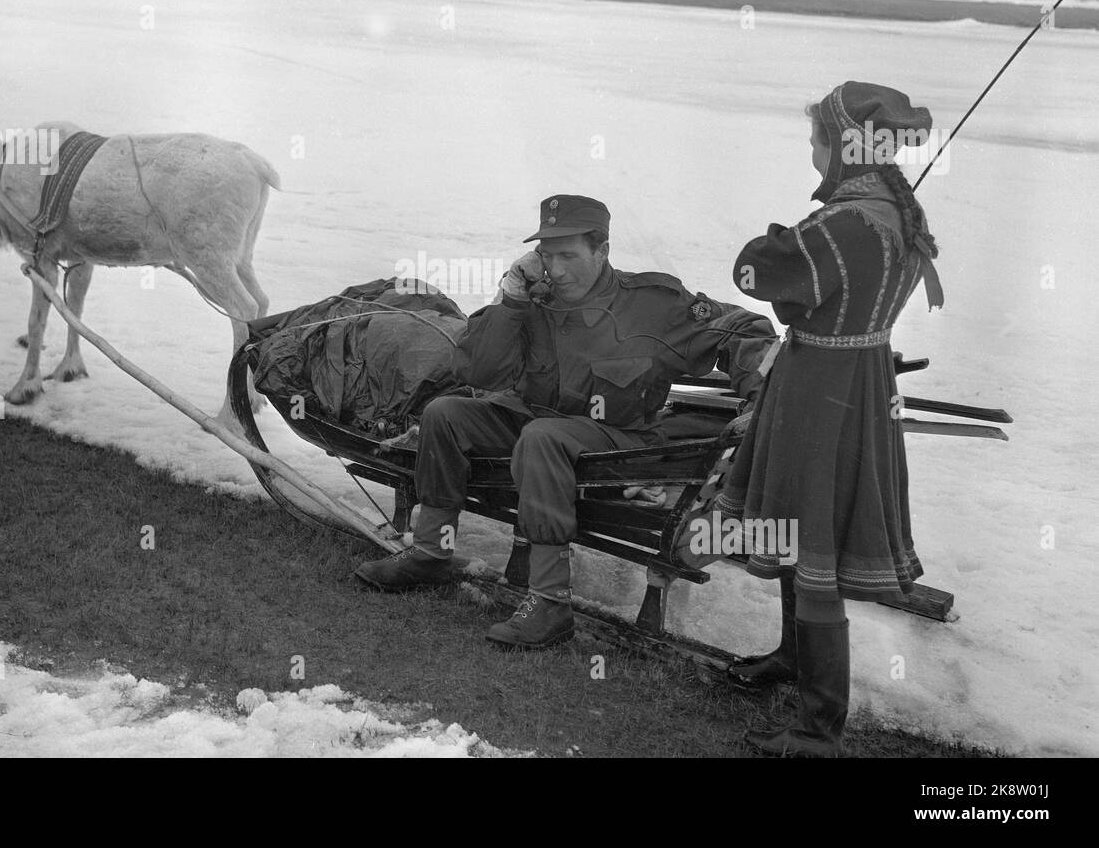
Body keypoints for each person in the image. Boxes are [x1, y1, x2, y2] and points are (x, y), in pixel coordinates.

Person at [355, 194, 776, 649]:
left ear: (602, 251)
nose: (556, 268)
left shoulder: (656, 303)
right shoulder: (533, 302)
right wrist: (511, 300)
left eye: (569, 255)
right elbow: (478, 372)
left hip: (619, 442)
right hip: (539, 424)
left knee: (543, 437)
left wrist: (762, 402)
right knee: (447, 413)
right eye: (547, 254)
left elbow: (744, 332)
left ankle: (551, 602)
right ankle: (432, 552)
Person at [717, 81, 943, 757]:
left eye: (818, 136)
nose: (810, 146)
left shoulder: (845, 224)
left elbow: (760, 276)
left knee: (809, 535)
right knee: (801, 527)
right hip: (860, 377)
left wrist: (769, 243)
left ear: (846, 146)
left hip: (820, 387)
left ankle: (819, 723)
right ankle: (793, 658)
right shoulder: (895, 214)